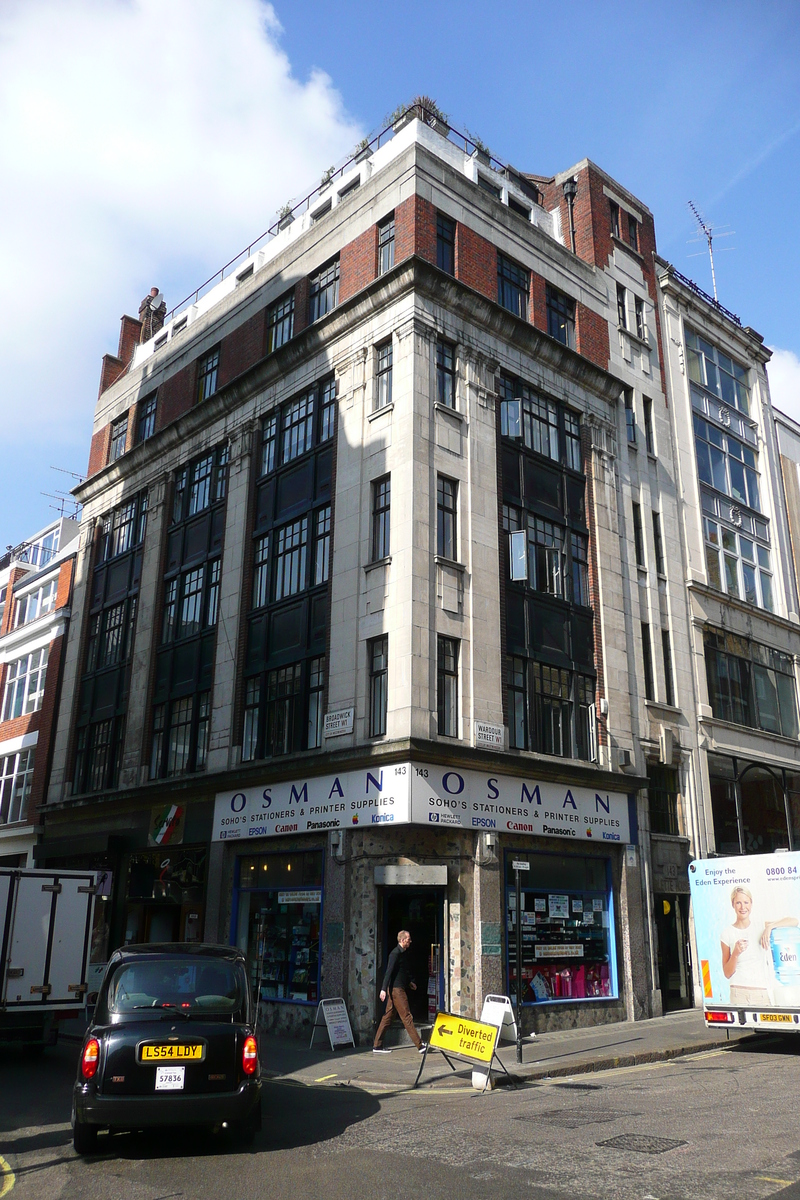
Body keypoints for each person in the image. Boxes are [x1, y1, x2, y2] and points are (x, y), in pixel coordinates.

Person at [720, 885, 798, 1005]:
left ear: (751, 904)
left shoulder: (760, 926)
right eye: (738, 903)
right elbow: (727, 973)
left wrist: (770, 927)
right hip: (738, 992)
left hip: (760, 992)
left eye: (746, 902)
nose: (743, 907)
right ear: (733, 905)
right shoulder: (727, 933)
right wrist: (735, 953)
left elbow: (794, 921)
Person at [372, 930, 428, 1054]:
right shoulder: (395, 953)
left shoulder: (403, 953)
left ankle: (377, 1046)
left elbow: (402, 972)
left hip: (398, 988)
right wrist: (383, 989)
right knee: (407, 1016)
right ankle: (420, 1046)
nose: (410, 941)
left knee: (387, 1017)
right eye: (408, 939)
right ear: (402, 940)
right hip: (396, 990)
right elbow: (389, 972)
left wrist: (410, 982)